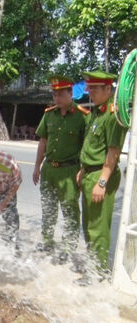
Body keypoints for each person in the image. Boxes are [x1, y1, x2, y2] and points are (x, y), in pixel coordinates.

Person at [76, 70, 127, 282]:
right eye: (89, 87)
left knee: (98, 227)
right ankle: (93, 265)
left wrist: (102, 181)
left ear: (108, 89)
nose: (89, 92)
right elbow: (91, 147)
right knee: (88, 225)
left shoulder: (112, 115)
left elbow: (113, 152)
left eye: (94, 88)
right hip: (89, 174)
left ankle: (98, 272)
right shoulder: (96, 113)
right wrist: (82, 169)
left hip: (100, 176)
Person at [33, 75, 89, 263]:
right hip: (49, 168)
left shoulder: (82, 117)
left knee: (70, 210)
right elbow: (43, 141)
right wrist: (37, 167)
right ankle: (47, 240)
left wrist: (83, 170)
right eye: (54, 95)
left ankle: (68, 247)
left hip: (69, 171)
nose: (56, 98)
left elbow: (86, 147)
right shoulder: (49, 114)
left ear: (70, 93)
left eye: (60, 94)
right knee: (48, 207)